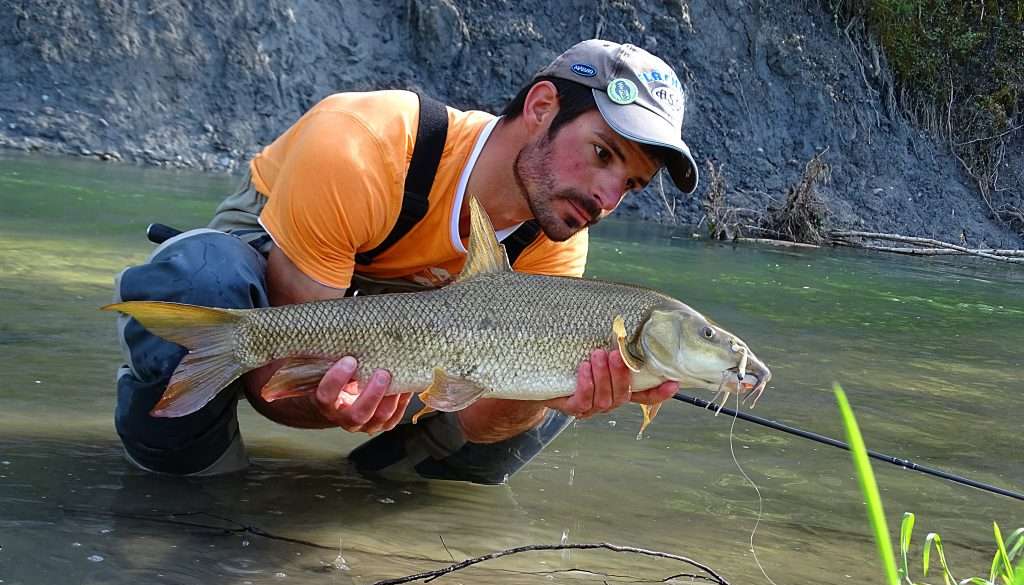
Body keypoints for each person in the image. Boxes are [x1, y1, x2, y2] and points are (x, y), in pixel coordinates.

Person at [112, 39, 700, 483]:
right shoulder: (360, 145)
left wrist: (545, 395)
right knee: (198, 281)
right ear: (542, 107)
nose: (606, 198)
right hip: (278, 266)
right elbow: (277, 385)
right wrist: (328, 405)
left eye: (632, 185)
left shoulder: (557, 233)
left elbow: (476, 423)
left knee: (543, 390)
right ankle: (189, 479)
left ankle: (375, 493)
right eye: (601, 153)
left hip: (414, 329)